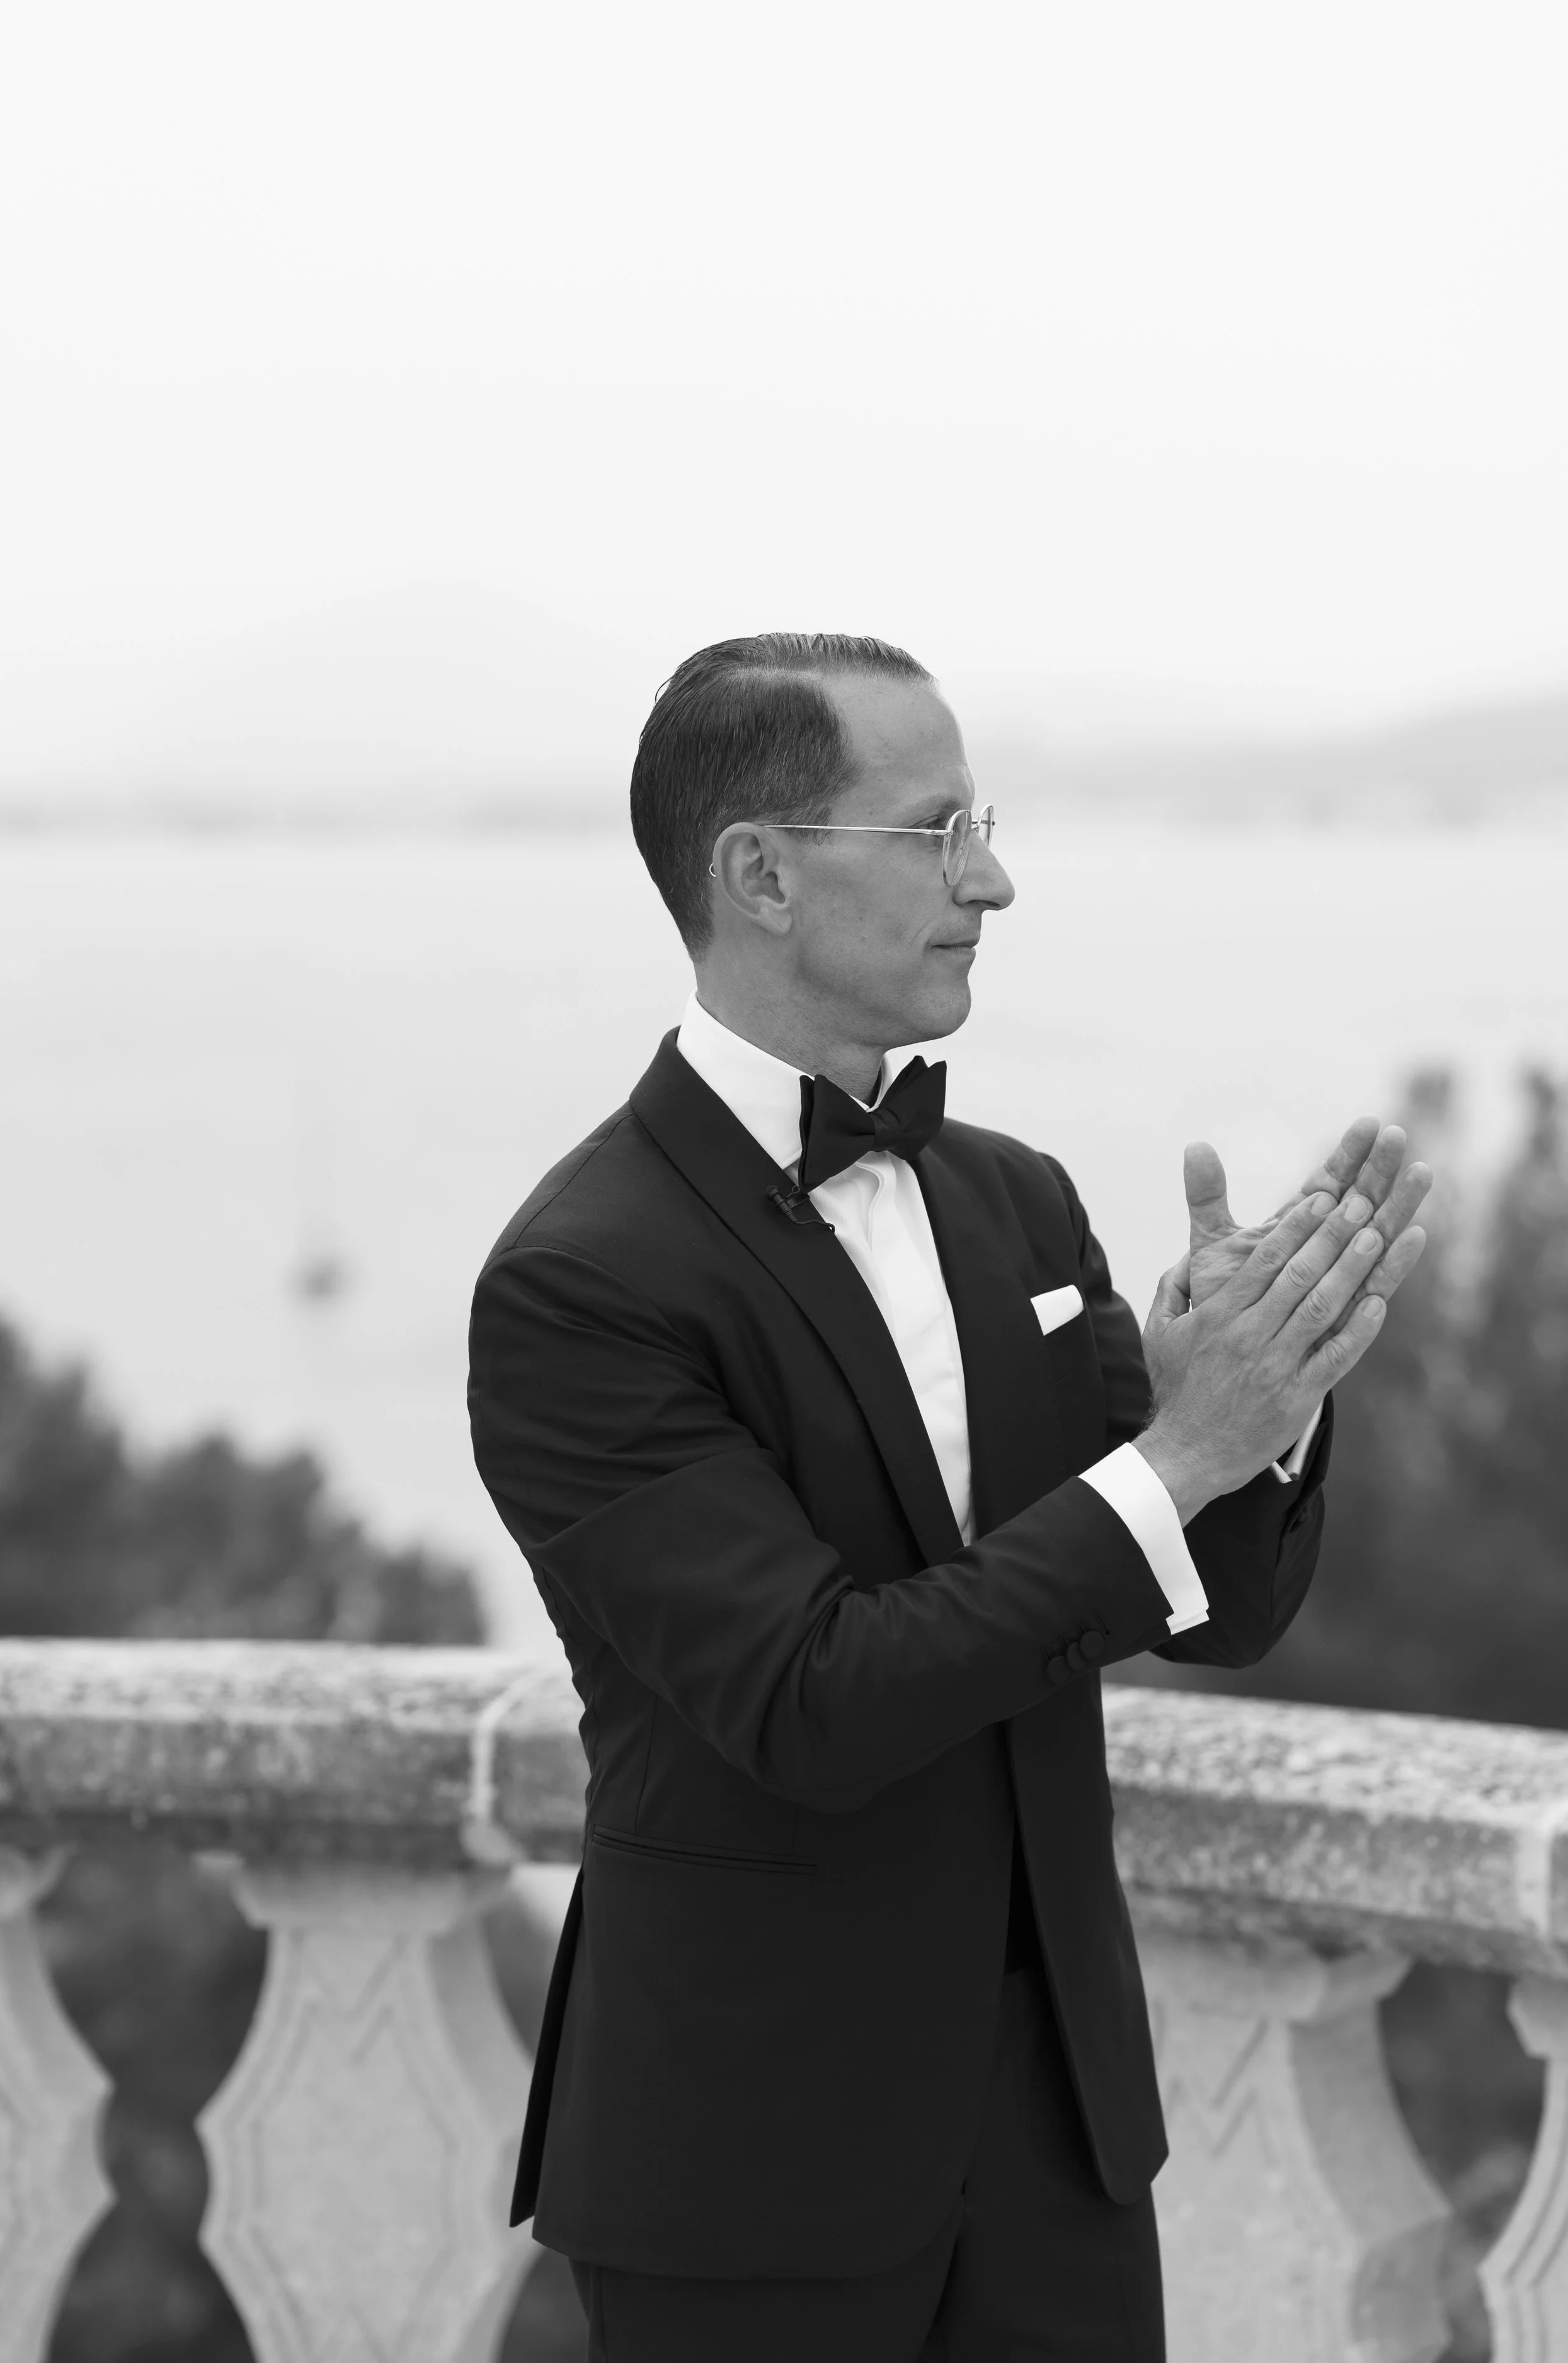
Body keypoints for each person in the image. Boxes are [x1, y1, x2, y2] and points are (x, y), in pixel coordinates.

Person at [467, 633, 1429, 2362]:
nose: (989, 881)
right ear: (760, 874)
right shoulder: (579, 1281)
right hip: (749, 2164)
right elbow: (812, 1698)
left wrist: (1262, 1406)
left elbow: (1209, 1605)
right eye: (934, 834)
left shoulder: (1017, 1201)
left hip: (1065, 2141)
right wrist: (1177, 1452)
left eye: (980, 826)